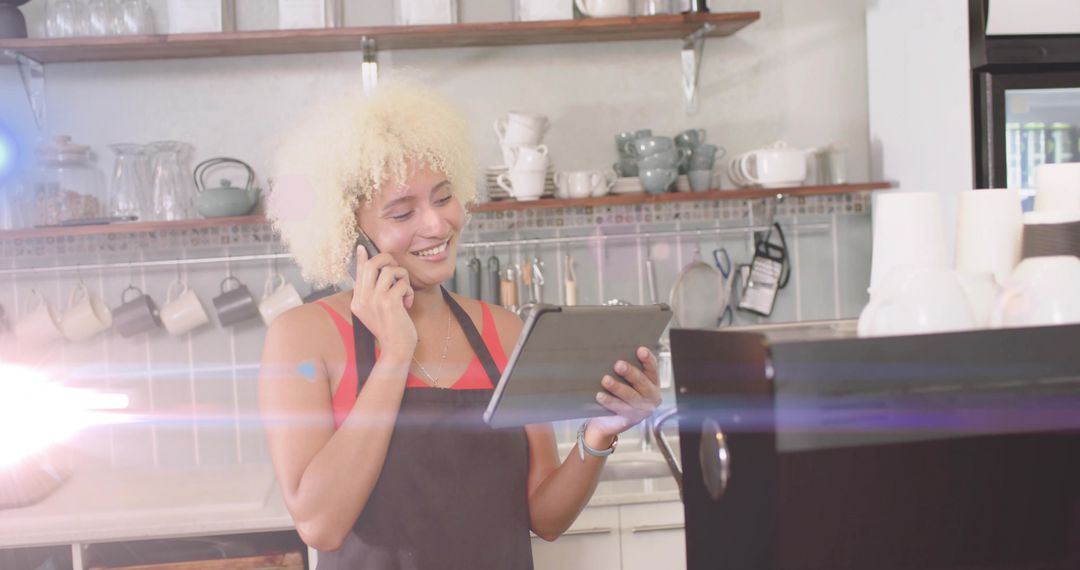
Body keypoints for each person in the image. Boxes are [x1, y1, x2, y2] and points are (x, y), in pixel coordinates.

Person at [259, 83, 662, 569]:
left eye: (444, 198)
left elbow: (546, 518)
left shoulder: (505, 332)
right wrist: (393, 355)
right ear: (352, 233)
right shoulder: (303, 337)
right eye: (403, 212)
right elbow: (321, 525)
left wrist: (600, 432)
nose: (437, 224)